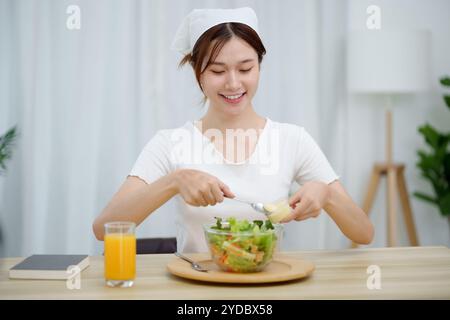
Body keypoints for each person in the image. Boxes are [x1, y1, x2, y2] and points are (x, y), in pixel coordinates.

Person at [93, 7, 374, 253]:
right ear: (197, 73)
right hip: (195, 292)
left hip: (269, 290)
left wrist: (327, 194)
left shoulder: (292, 140)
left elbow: (363, 233)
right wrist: (174, 181)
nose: (232, 83)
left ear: (259, 67)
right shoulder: (170, 143)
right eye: (217, 71)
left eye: (245, 68)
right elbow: (103, 228)